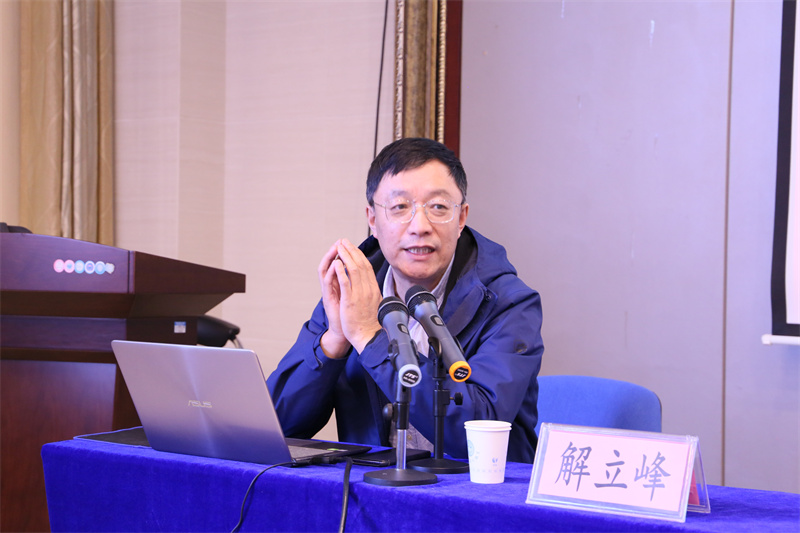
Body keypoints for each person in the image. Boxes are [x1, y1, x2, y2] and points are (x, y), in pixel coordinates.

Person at [267, 137, 544, 463]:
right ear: (372, 219)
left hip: (477, 489)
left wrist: (370, 338)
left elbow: (478, 430)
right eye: (399, 207)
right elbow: (275, 429)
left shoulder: (509, 304)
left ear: (461, 218)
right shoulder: (353, 291)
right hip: (373, 487)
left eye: (438, 207)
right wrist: (335, 340)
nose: (420, 226)